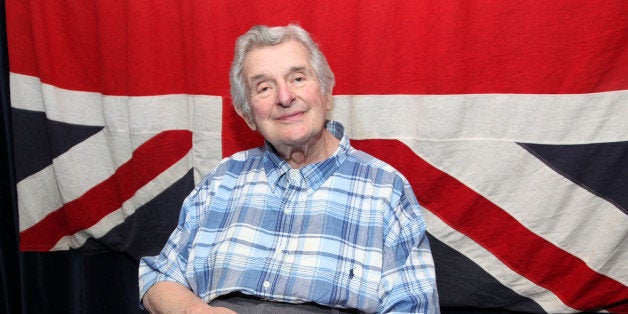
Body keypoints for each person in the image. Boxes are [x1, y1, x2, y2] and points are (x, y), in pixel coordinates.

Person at [139, 24, 439, 313]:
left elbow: (415, 307)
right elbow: (157, 278)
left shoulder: (385, 188)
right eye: (264, 87)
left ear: (326, 92)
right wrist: (193, 311)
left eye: (297, 78)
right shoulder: (222, 180)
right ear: (248, 116)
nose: (284, 98)